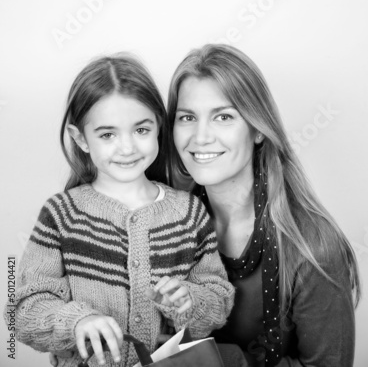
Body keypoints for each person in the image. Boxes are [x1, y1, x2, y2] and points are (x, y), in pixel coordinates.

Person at [9, 53, 234, 367]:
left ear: (158, 126)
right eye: (107, 135)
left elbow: (218, 298)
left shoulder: (189, 214)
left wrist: (189, 300)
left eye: (141, 130)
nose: (127, 147)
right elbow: (24, 311)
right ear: (81, 139)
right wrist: (76, 322)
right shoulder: (62, 215)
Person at [167, 43, 361, 367]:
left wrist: (218, 361)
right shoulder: (164, 222)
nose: (200, 137)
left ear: (257, 129)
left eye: (223, 116)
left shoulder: (314, 247)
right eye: (187, 117)